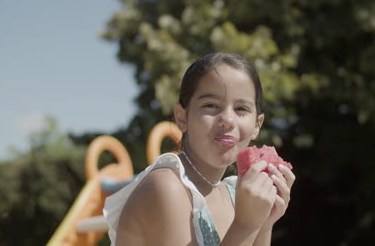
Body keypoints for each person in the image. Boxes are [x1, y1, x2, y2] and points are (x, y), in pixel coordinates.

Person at [103, 52, 296, 245]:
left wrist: (264, 223)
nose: (228, 120)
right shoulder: (166, 187)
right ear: (182, 117)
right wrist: (246, 225)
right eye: (211, 105)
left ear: (257, 125)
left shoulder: (233, 194)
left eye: (241, 109)